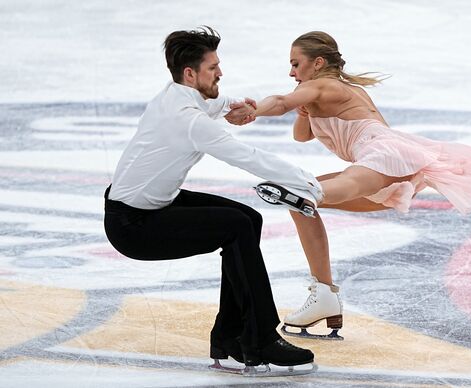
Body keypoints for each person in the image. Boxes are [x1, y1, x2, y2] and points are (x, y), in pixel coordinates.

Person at [227, 30, 471, 339]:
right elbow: (302, 135)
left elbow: (281, 101)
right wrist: (304, 112)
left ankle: (308, 195)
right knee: (300, 206)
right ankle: (324, 295)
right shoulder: (322, 91)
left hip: (383, 152)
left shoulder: (325, 85)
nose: (291, 72)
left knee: (313, 192)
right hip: (387, 160)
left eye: (296, 64)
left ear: (318, 63)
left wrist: (254, 110)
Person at [103, 26, 323, 373]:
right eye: (212, 68)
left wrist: (239, 106)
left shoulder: (176, 94)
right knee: (235, 226)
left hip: (150, 205)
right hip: (133, 226)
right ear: (190, 74)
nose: (220, 72)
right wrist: (307, 182)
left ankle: (229, 339)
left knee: (249, 219)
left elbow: (218, 102)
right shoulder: (186, 119)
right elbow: (246, 156)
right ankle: (262, 340)